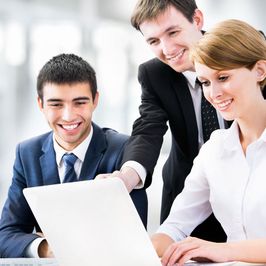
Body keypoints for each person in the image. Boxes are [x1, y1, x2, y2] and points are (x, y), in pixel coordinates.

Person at [97, 0, 227, 242]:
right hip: (187, 193)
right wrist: (126, 177)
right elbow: (148, 129)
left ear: (197, 20)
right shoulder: (154, 74)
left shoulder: (243, 52)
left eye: (173, 32)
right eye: (153, 41)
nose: (166, 48)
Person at [0, 53, 148, 258]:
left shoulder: (124, 151)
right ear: (40, 104)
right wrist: (46, 248)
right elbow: (6, 236)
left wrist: (62, 241)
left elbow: (133, 239)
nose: (68, 116)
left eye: (80, 102)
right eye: (56, 104)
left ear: (95, 100)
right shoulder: (28, 153)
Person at [151, 19, 266, 265]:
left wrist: (224, 250)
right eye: (205, 82)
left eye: (223, 77)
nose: (213, 94)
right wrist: (133, 247)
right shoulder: (215, 149)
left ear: (260, 71)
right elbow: (175, 226)